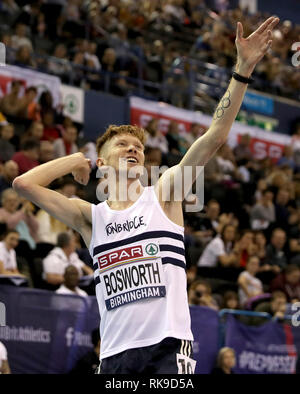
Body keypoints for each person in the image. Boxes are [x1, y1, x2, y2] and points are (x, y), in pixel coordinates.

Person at [12, 16, 279, 374]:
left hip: (167, 348)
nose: (133, 149)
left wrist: (242, 68)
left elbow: (214, 135)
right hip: (114, 356)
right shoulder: (91, 218)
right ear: (102, 164)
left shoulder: (165, 193)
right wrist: (75, 159)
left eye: (138, 145)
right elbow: (24, 185)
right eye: (122, 145)